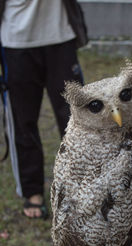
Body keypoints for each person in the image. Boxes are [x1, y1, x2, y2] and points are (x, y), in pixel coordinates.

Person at [0, 0, 88, 219]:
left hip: (60, 36)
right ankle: (32, 191)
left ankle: (82, 188)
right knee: (23, 121)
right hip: (16, 41)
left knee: (78, 118)